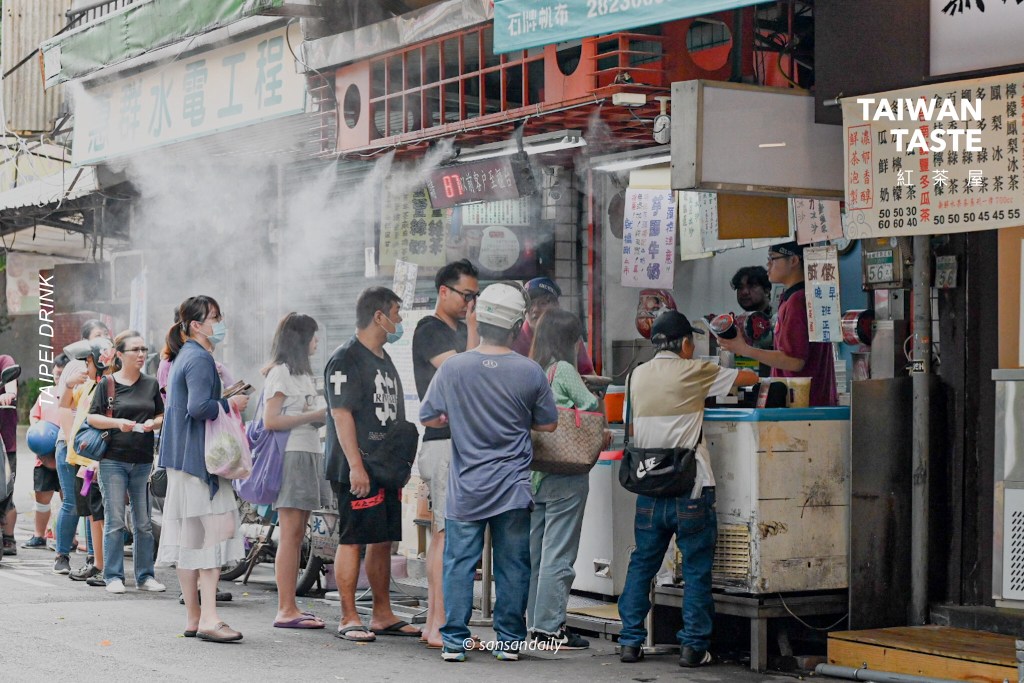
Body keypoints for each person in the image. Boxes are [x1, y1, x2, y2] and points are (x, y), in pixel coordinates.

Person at [420, 282, 559, 663]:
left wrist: (459, 415)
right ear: (516, 327)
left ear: (477, 320)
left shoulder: (454, 368)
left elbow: (429, 415)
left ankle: (454, 642)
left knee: (460, 563)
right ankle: (510, 642)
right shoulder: (530, 372)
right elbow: (548, 426)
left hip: (467, 486)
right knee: (513, 565)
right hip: (513, 487)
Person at [617, 311, 758, 668]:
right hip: (690, 489)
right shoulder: (695, 371)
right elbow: (749, 376)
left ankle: (630, 642)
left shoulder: (636, 374)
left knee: (641, 565)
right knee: (696, 569)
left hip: (649, 488)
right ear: (683, 343)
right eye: (692, 341)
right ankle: (693, 647)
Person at [324, 286, 421, 643]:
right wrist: (355, 467)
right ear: (378, 316)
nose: (399, 320)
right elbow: (341, 414)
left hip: (386, 465)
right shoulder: (345, 358)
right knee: (353, 539)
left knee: (382, 540)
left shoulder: (383, 356)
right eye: (396, 313)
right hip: (357, 467)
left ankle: (382, 613)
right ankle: (349, 616)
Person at [157, 295, 248, 643]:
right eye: (215, 317)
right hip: (200, 464)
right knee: (208, 541)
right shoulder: (199, 358)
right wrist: (231, 402)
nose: (220, 322)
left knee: (190, 541)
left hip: (184, 463)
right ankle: (210, 617)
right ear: (197, 325)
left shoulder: (184, 357)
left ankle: (194, 617)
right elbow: (199, 407)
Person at [526, 308, 610, 651]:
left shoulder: (535, 370)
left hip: (536, 474)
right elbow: (589, 405)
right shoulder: (565, 370)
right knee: (558, 555)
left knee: (536, 554)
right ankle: (549, 629)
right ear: (570, 340)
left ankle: (534, 622)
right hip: (566, 472)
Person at [412, 258, 479, 649]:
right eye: (466, 295)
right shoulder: (429, 330)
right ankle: (437, 624)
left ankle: (437, 623)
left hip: (458, 443)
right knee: (443, 534)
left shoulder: (456, 329)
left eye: (475, 297)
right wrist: (473, 327)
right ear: (444, 292)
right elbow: (464, 372)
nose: (471, 303)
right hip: (442, 444)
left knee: (449, 535)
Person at [262, 312, 330, 629]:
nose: (318, 342)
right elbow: (271, 421)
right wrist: (312, 416)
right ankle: (285, 608)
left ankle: (291, 606)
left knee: (298, 533)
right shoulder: (281, 373)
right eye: (314, 336)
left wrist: (316, 417)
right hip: (292, 454)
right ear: (302, 340)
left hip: (308, 451)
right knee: (290, 535)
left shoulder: (301, 374)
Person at [85, 330, 165, 593]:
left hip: (142, 460)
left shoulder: (151, 384)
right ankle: (113, 576)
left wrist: (153, 423)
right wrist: (117, 422)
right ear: (120, 355)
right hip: (113, 460)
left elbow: (161, 415)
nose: (142, 354)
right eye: (136, 350)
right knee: (115, 520)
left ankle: (145, 576)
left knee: (143, 522)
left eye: (144, 349)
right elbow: (92, 418)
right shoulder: (107, 383)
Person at [718, 242, 838, 407]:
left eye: (773, 259)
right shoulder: (801, 296)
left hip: (801, 406)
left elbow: (795, 361)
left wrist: (745, 350)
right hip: (814, 402)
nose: (768, 264)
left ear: (794, 260)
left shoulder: (797, 301)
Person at [57, 332, 114, 582]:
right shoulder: (89, 385)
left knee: (101, 515)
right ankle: (96, 562)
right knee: (91, 514)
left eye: (88, 363)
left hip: (96, 461)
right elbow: (63, 405)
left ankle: (102, 565)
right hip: (82, 462)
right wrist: (69, 385)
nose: (85, 367)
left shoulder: (107, 387)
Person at [22, 353, 69, 549]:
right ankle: (39, 535)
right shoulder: (46, 394)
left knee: (67, 498)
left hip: (66, 454)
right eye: (56, 374)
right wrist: (40, 430)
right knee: (42, 496)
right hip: (43, 456)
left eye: (61, 374)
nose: (57, 377)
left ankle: (67, 539)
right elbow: (34, 417)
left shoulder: (75, 393)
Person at [510, 278, 595, 374]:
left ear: (556, 306)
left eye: (542, 303)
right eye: (530, 304)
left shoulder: (567, 333)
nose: (535, 309)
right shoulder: (514, 337)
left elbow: (587, 372)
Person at [0, 353, 19, 555]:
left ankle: (8, 537)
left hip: (5, 443)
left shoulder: (4, 361)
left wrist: (8, 393)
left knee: (6, 490)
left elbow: (11, 382)